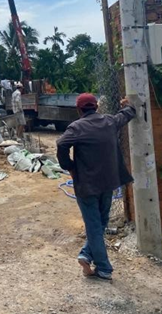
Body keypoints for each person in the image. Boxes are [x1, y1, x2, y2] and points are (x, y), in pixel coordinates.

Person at [56, 93, 136, 282]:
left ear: (78, 110)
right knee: (100, 222)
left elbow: (61, 144)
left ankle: (103, 268)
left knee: (94, 225)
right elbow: (125, 115)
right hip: (108, 183)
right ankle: (86, 255)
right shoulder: (109, 122)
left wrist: (70, 166)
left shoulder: (76, 127)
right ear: (96, 107)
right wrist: (129, 105)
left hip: (86, 184)